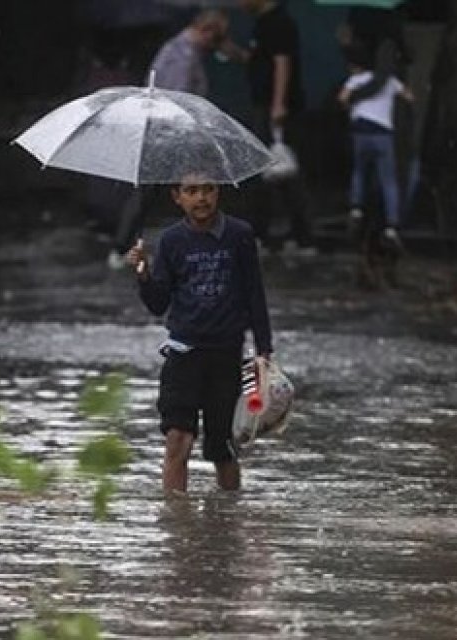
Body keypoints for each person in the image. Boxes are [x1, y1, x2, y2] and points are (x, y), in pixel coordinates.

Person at [126, 165, 274, 494]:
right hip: (184, 353)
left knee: (224, 446)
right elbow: (158, 304)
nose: (201, 198)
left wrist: (264, 350)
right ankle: (176, 518)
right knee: (178, 438)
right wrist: (143, 273)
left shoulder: (239, 235)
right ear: (177, 197)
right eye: (191, 191)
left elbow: (254, 294)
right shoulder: (171, 240)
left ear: (218, 192)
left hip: (226, 354)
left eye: (208, 189)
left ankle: (228, 518)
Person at [106, 9, 230, 270]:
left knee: (162, 191)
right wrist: (188, 134)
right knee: (168, 190)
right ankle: (122, 247)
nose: (214, 45)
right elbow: (177, 99)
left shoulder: (182, 50)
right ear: (206, 30)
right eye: (215, 38)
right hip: (169, 134)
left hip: (168, 133)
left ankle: (125, 246)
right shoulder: (182, 56)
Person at [221, 0, 315, 256]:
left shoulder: (278, 23)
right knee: (270, 171)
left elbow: (282, 63)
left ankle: (299, 234)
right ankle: (272, 232)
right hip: (263, 103)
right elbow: (258, 61)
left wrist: (278, 103)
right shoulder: (262, 24)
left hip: (275, 107)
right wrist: (232, 51)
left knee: (284, 169)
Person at [339, 43, 413, 244]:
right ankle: (392, 226)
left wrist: (350, 108)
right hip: (383, 135)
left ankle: (356, 209)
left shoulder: (356, 80)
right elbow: (409, 97)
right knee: (388, 180)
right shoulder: (390, 81)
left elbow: (342, 98)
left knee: (359, 171)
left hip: (360, 132)